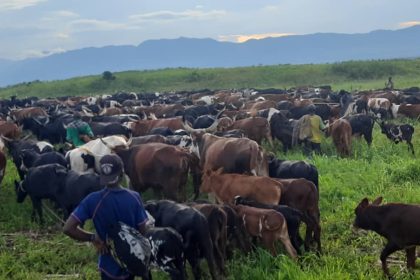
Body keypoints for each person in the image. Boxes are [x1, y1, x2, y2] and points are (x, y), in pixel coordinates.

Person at [63, 154, 148, 280]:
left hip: (108, 265)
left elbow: (68, 228)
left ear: (101, 174)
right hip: (131, 262)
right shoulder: (134, 197)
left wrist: (92, 238)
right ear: (121, 173)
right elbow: (143, 230)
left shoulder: (92, 200)